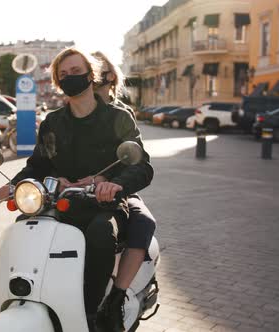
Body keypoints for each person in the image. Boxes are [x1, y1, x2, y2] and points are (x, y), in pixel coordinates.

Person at [0, 48, 153, 332]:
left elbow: (142, 166)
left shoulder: (117, 118)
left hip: (104, 203)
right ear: (57, 81)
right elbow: (37, 165)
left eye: (76, 72)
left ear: (91, 75)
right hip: (61, 202)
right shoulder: (53, 123)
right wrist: (13, 183)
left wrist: (115, 184)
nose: (70, 78)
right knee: (26, 226)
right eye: (63, 74)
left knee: (100, 232)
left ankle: (96, 311)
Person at [89, 51, 157, 331]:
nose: (92, 82)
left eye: (97, 74)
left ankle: (116, 297)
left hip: (117, 189)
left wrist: (112, 180)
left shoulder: (121, 114)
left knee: (144, 222)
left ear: (110, 77)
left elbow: (137, 161)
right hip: (77, 191)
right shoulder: (69, 115)